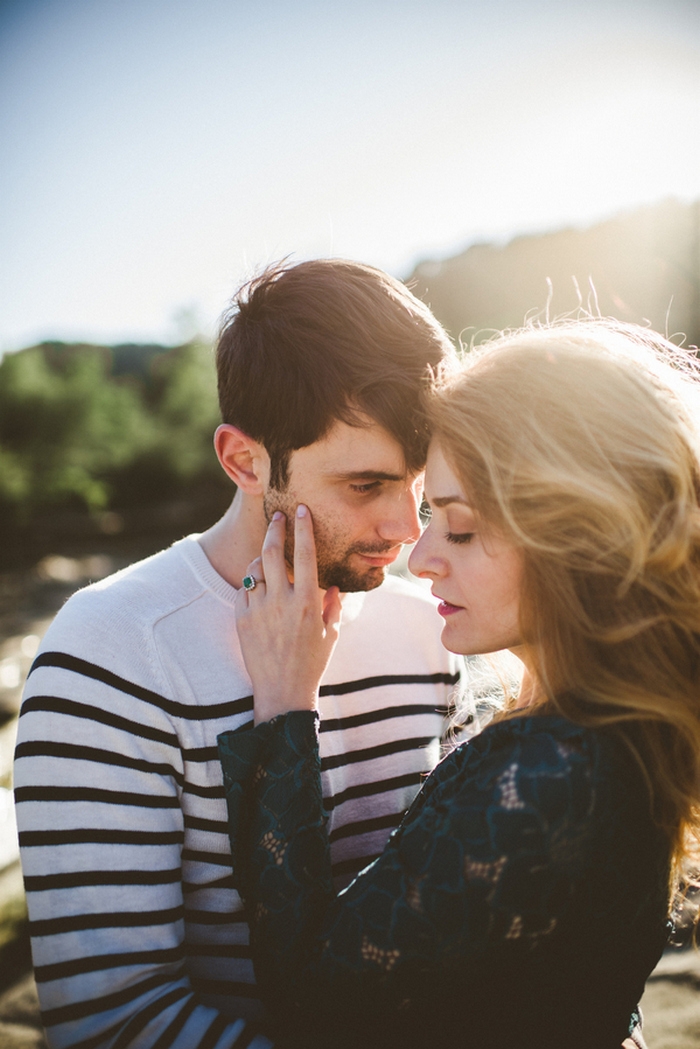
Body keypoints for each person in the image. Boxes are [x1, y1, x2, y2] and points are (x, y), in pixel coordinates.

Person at [13, 259, 461, 1049]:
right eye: (365, 485)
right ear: (244, 460)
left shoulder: (436, 620)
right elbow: (113, 1019)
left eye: (418, 484)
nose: (407, 529)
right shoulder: (111, 650)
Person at [218, 320, 700, 1049]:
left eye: (462, 528)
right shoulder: (609, 725)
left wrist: (284, 708)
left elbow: (314, 1004)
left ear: (584, 536)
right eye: (427, 514)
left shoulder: (553, 769)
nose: (423, 558)